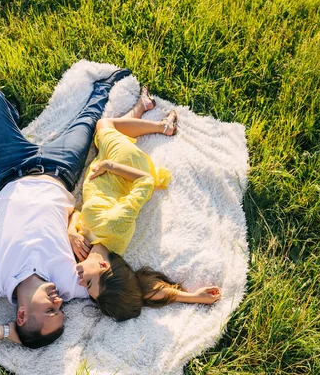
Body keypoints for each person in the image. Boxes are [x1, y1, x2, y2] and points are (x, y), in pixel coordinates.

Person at [0, 68, 132, 349]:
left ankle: (9, 113)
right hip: (61, 168)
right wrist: (71, 229)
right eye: (61, 311)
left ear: (21, 314)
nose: (59, 303)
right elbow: (117, 277)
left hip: (12, 166)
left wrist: (3, 333)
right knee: (90, 119)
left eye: (50, 310)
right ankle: (105, 86)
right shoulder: (71, 283)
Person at [67, 87, 221, 321]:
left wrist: (70, 231)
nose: (80, 282)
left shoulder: (83, 251)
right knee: (104, 125)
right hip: (125, 166)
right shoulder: (116, 225)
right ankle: (162, 127)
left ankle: (142, 107)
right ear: (103, 267)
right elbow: (145, 181)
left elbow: (77, 212)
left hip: (102, 169)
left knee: (105, 137)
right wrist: (109, 166)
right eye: (88, 283)